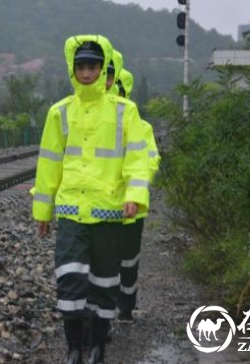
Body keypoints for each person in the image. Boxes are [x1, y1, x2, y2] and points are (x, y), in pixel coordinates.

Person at [32, 35, 151, 364]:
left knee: (103, 284)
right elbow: (49, 165)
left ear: (102, 69)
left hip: (109, 214)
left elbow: (138, 159)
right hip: (71, 213)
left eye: (93, 66)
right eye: (81, 66)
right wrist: (43, 211)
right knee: (69, 280)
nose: (87, 73)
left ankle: (98, 347)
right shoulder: (59, 113)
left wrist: (134, 195)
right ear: (73, 69)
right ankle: (73, 349)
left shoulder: (125, 112)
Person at [115, 68, 161, 323]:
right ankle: (107, 311)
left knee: (128, 262)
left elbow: (151, 162)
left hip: (133, 210)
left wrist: (134, 190)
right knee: (105, 263)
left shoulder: (142, 128)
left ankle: (126, 307)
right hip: (105, 206)